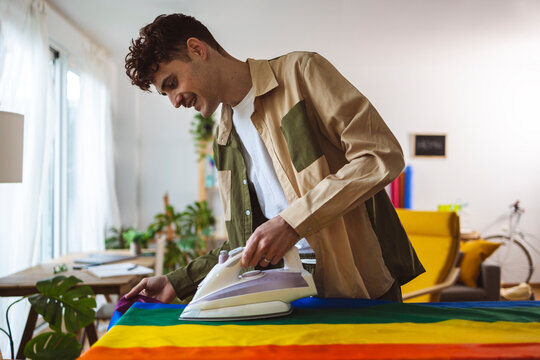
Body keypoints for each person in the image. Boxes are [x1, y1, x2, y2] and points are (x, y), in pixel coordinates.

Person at [124, 13, 424, 303]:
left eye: (172, 83)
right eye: (166, 94)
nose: (175, 102)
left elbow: (380, 155)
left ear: (197, 49)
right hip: (289, 294)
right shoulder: (224, 141)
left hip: (362, 285)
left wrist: (292, 223)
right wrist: (175, 283)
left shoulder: (301, 73)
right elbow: (243, 241)